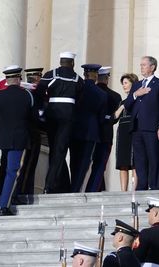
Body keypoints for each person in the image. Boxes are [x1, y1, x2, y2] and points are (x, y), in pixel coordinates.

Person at [0, 65, 33, 216]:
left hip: (4, 137)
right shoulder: (27, 95)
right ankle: (4, 205)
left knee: (8, 168)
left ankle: (12, 196)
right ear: (19, 79)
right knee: (13, 171)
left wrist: (1, 125)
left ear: (7, 80)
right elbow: (34, 117)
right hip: (19, 138)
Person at [36, 52, 83, 193]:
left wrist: (44, 106)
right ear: (72, 63)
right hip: (68, 117)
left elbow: (39, 92)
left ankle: (57, 184)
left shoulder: (51, 74)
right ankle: (51, 186)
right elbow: (80, 101)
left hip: (52, 115)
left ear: (60, 62)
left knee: (54, 150)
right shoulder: (77, 79)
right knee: (60, 151)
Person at [124, 56, 159, 190]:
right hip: (137, 128)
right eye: (141, 65)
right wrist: (135, 94)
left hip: (152, 128)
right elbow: (127, 105)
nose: (141, 67)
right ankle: (141, 186)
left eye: (144, 65)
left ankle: (154, 185)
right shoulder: (137, 85)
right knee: (139, 159)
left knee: (153, 157)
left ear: (152, 67)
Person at [70, 63, 106, 192]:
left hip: (75, 129)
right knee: (84, 162)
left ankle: (72, 185)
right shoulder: (102, 94)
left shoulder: (77, 89)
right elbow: (101, 118)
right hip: (91, 131)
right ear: (96, 76)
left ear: (84, 74)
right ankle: (76, 188)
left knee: (74, 160)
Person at [85, 66, 121, 192]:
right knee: (100, 165)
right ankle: (92, 190)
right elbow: (114, 119)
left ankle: (100, 188)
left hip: (88, 133)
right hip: (105, 134)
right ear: (107, 78)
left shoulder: (87, 91)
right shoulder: (115, 96)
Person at [17, 67, 44, 195]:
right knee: (28, 165)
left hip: (22, 134)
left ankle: (24, 190)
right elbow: (38, 115)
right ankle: (24, 191)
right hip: (32, 134)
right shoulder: (35, 95)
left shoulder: (23, 93)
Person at [114, 73, 139, 191]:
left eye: (126, 83)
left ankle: (134, 189)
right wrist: (121, 108)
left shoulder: (139, 99)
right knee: (122, 164)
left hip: (134, 131)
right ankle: (123, 191)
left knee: (135, 162)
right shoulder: (122, 102)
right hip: (123, 134)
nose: (123, 86)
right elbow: (114, 118)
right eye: (122, 83)